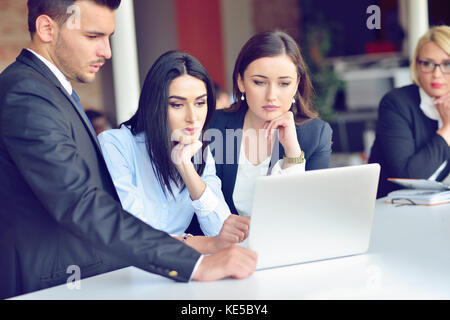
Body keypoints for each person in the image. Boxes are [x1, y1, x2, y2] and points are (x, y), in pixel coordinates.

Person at [0, 0, 256, 300]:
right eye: (93, 36)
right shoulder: (27, 93)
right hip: (46, 285)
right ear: (46, 28)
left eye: (108, 38)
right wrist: (194, 264)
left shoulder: (50, 90)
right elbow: (81, 204)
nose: (106, 51)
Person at [98, 51, 250, 254]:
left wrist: (186, 168)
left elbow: (222, 231)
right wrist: (205, 244)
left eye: (200, 103)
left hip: (177, 272)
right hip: (124, 272)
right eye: (177, 104)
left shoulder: (199, 151)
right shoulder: (116, 144)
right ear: (155, 105)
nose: (193, 117)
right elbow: (137, 235)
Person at [188, 30, 332, 235]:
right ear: (241, 82)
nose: (271, 95)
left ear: (296, 85)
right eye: (259, 82)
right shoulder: (213, 126)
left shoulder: (315, 135)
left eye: (284, 83)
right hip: (223, 250)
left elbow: (311, 215)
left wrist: (292, 153)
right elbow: (197, 209)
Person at [369, 25, 450, 198]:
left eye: (447, 64)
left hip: (432, 207)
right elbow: (407, 176)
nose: (437, 74)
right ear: (417, 66)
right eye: (427, 63)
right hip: (389, 207)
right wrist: (447, 130)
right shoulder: (396, 103)